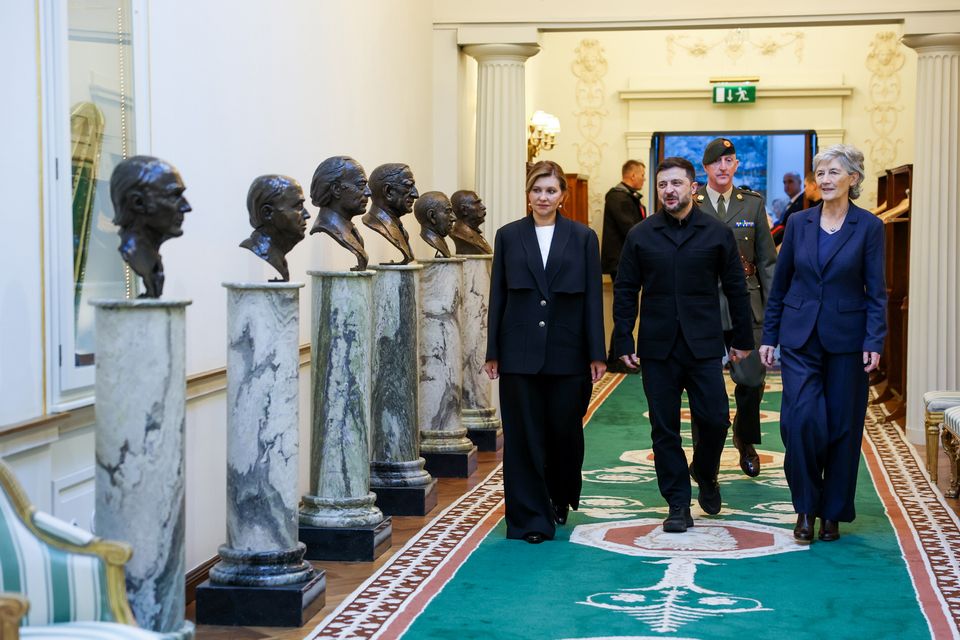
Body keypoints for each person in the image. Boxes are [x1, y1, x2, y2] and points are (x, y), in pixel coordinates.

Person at [613, 156, 753, 533]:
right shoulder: (640, 235)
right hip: (658, 348)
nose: (669, 190)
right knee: (665, 429)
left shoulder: (716, 233)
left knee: (715, 420)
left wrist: (742, 339)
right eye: (662, 184)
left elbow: (736, 289)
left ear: (693, 188)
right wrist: (623, 336)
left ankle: (705, 473)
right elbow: (626, 289)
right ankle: (677, 502)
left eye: (676, 183)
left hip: (704, 345)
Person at [759, 144, 886, 544]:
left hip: (848, 340)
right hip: (800, 337)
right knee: (801, 423)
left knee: (842, 427)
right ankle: (805, 507)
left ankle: (832, 513)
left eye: (834, 172)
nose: (826, 180)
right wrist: (770, 336)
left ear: (854, 178)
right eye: (821, 173)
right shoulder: (799, 223)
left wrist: (874, 339)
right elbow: (780, 285)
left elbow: (877, 291)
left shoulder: (868, 227)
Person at [483, 160, 606, 544]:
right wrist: (493, 350)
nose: (543, 197)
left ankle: (560, 494)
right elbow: (498, 295)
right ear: (528, 193)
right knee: (523, 437)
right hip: (519, 351)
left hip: (568, 352)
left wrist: (597, 353)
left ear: (563, 196)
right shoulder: (508, 236)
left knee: (563, 434)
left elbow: (590, 300)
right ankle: (530, 519)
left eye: (551, 190)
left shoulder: (583, 238)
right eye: (537, 189)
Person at [693, 138, 777, 478]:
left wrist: (773, 316)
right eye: (716, 162)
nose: (723, 167)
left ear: (737, 165)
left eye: (729, 160)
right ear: (706, 168)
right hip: (704, 306)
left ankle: (745, 438)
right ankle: (703, 453)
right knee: (701, 382)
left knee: (751, 380)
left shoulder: (752, 204)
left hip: (747, 302)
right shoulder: (692, 203)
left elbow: (768, 262)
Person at [110, 155, 192, 298]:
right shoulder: (135, 253)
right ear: (138, 203)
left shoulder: (152, 260)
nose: (186, 207)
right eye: (174, 196)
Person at [602, 160, 647, 373]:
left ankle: (617, 355)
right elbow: (631, 228)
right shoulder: (618, 196)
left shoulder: (627, 196)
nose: (644, 179)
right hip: (621, 262)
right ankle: (617, 357)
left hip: (627, 261)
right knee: (624, 309)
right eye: (642, 175)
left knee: (627, 309)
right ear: (632, 175)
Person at [240, 175, 310, 281]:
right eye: (298, 206)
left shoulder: (277, 256)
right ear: (267, 213)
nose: (307, 215)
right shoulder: (259, 257)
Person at [309, 155, 372, 271]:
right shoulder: (327, 228)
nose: (368, 192)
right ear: (336, 189)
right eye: (361, 185)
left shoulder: (352, 232)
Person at [362, 163, 419, 264]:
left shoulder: (401, 229)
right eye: (409, 186)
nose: (415, 194)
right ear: (388, 191)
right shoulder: (377, 223)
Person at [449, 190, 493, 255]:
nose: (483, 207)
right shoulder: (460, 235)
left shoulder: (474, 233)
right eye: (477, 203)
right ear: (464, 210)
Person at [414, 191, 456, 258]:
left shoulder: (441, 241)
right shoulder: (433, 241)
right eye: (448, 211)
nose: (454, 218)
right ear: (432, 216)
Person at [772, 171, 804, 246]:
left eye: (790, 181)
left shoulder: (803, 201)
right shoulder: (791, 202)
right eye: (784, 182)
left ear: (799, 182)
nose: (787, 185)